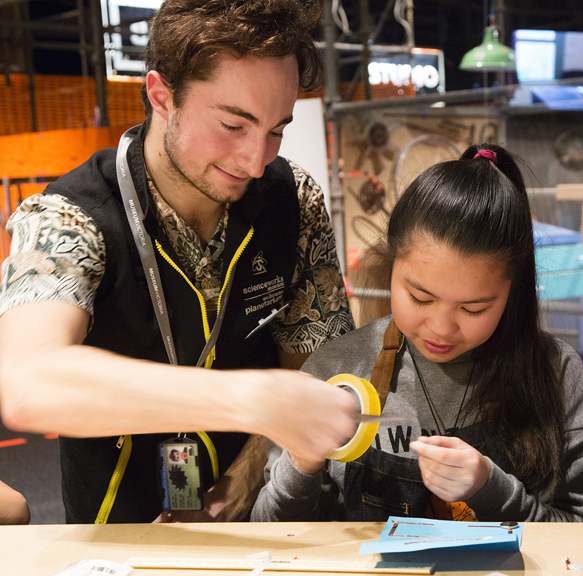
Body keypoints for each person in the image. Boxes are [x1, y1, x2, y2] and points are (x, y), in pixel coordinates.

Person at [0, 0, 359, 524]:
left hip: (265, 520)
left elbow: (319, 361)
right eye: (234, 126)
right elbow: (28, 381)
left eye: (277, 129)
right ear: (161, 95)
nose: (256, 160)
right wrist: (250, 399)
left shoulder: (293, 198)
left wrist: (256, 461)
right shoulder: (68, 217)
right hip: (121, 534)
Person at [252, 145, 583, 523]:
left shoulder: (557, 375)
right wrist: (302, 462)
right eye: (420, 298)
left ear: (512, 291)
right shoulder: (336, 369)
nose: (441, 328)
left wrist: (492, 489)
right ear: (392, 267)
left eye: (474, 309)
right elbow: (269, 533)